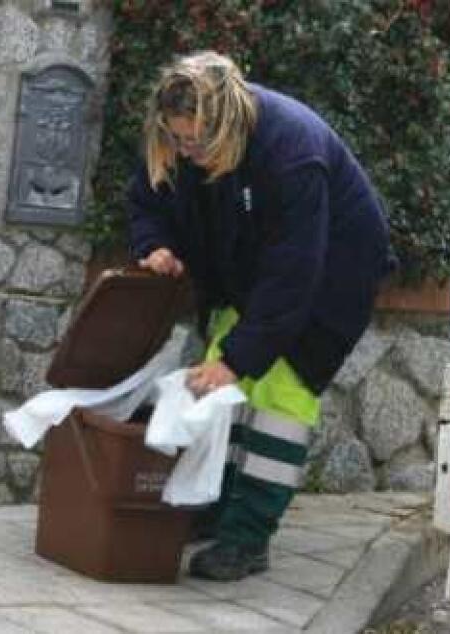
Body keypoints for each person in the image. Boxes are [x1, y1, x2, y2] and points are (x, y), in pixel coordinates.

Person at [128, 51, 393, 581]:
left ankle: (247, 540)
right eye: (178, 140)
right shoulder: (178, 137)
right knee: (219, 392)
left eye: (197, 142)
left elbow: (294, 273)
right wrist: (155, 243)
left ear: (227, 123)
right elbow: (148, 198)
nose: (187, 151)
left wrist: (239, 357)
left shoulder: (292, 151)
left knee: (278, 397)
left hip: (327, 283)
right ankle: (216, 512)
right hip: (249, 276)